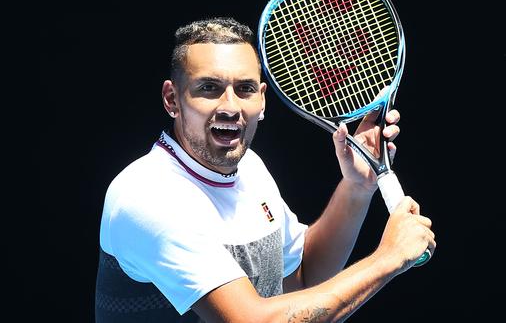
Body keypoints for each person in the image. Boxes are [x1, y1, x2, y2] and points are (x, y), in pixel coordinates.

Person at [95, 17, 435, 322]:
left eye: (244, 89)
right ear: (172, 99)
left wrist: (356, 188)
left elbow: (303, 278)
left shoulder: (252, 170)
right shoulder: (147, 194)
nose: (230, 106)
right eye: (209, 88)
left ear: (261, 100)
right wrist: (386, 260)